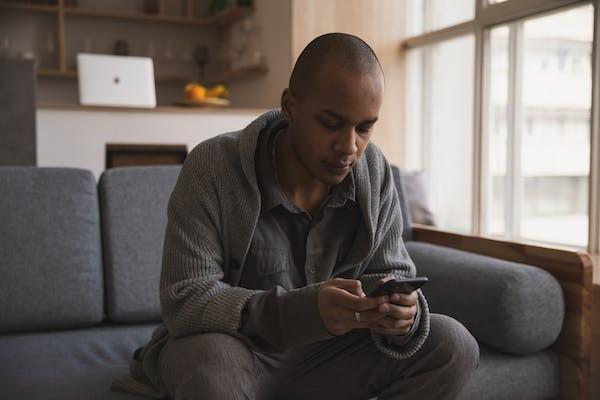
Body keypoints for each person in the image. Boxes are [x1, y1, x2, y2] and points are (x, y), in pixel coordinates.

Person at [112, 32, 479, 400]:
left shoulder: (374, 169)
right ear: (290, 107)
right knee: (209, 365)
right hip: (237, 352)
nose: (349, 147)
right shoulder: (213, 167)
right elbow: (185, 299)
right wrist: (300, 311)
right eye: (331, 123)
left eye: (364, 128)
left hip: (327, 358)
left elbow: (392, 273)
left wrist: (400, 314)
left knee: (453, 345)